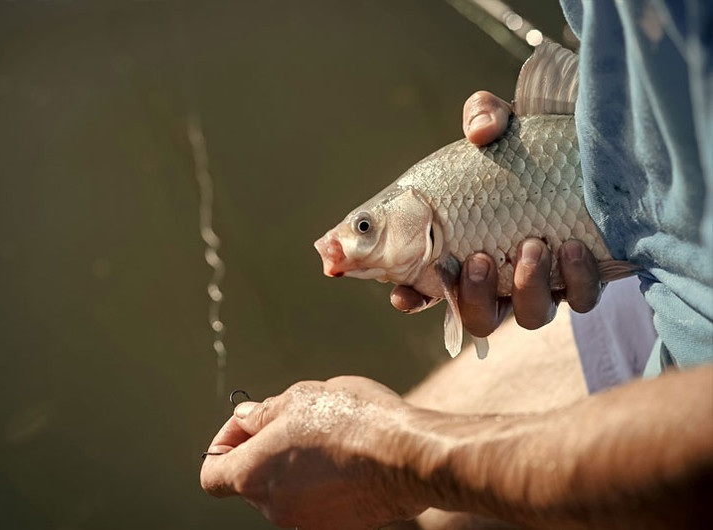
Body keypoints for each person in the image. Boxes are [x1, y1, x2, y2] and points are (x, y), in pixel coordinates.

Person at [201, 1, 713, 528]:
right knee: (422, 462)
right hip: (664, 261)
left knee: (436, 504)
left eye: (366, 227)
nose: (348, 239)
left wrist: (400, 462)